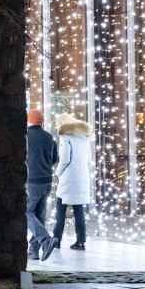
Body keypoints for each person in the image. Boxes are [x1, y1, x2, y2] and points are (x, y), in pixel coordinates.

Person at [53, 112, 93, 250]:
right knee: (78, 209)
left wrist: (57, 173)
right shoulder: (84, 138)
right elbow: (88, 159)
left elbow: (64, 159)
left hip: (69, 176)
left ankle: (56, 240)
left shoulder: (65, 137)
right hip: (82, 175)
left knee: (60, 208)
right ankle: (81, 241)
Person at [25, 109, 58, 261]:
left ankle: (45, 240)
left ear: (29, 120)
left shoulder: (26, 137)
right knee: (39, 215)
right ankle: (33, 250)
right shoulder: (49, 137)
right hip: (46, 182)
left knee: (26, 212)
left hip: (31, 181)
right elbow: (54, 160)